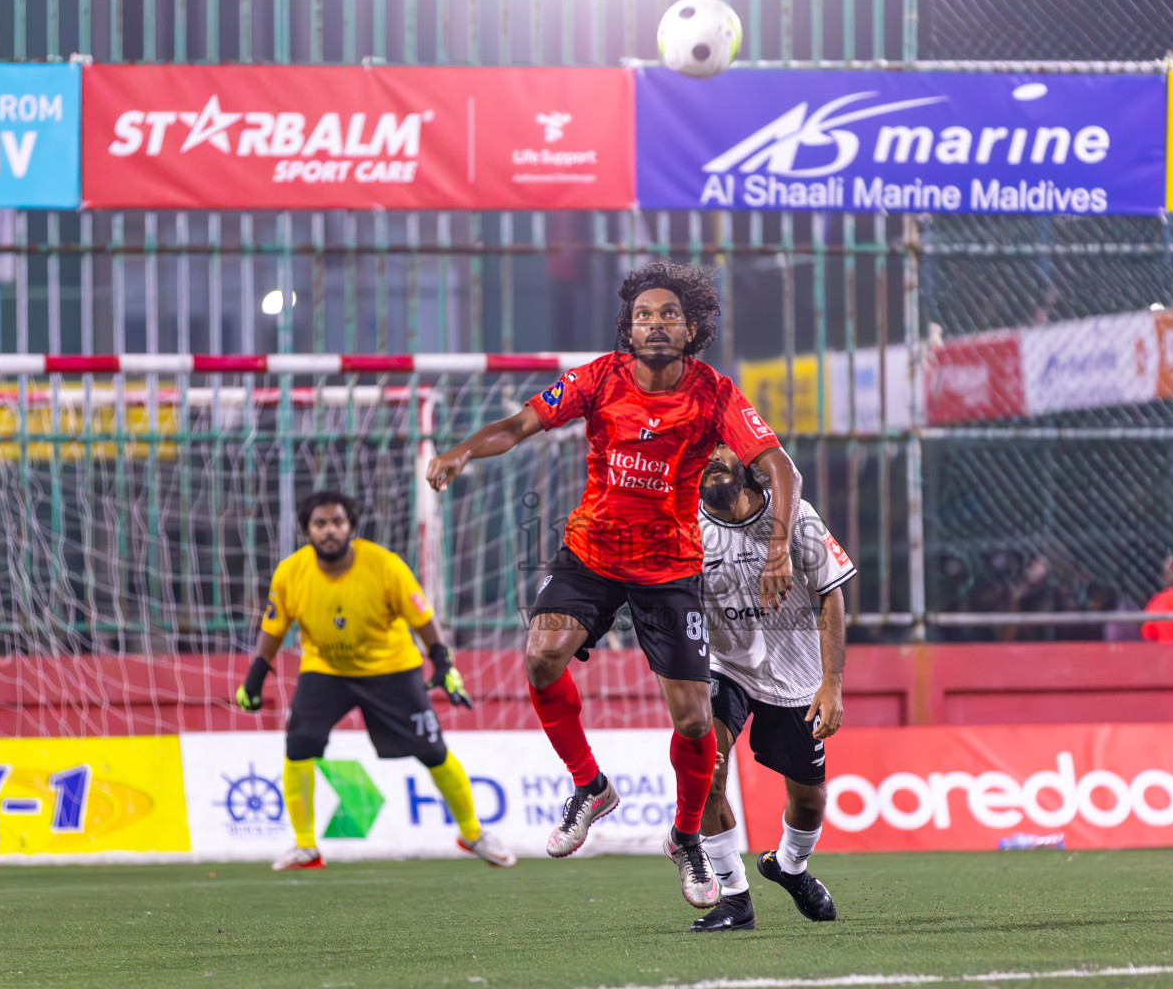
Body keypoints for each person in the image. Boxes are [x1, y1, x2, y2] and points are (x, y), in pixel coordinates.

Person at [426, 260, 801, 911]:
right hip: (592, 552)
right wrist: (461, 451)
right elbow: (519, 425)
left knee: (690, 718)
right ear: (628, 326)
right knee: (541, 657)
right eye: (644, 315)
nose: (655, 323)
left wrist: (777, 548)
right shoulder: (598, 378)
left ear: (694, 329)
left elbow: (777, 466)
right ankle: (589, 785)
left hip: (669, 568)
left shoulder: (715, 394)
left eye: (670, 315)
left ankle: (686, 837)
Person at [235, 489, 515, 871]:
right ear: (307, 531)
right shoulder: (290, 573)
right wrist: (255, 676)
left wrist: (441, 662)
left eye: (337, 522)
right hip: (326, 670)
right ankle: (305, 847)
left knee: (433, 751)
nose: (329, 530)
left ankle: (472, 833)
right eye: (320, 524)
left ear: (350, 526)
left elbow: (424, 621)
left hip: (392, 670)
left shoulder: (384, 565)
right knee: (299, 744)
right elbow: (273, 626)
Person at [689, 444, 854, 933]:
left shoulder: (795, 516)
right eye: (697, 456)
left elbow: (831, 597)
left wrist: (832, 682)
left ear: (742, 459)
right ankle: (735, 897)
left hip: (796, 674)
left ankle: (790, 866)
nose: (709, 461)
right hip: (725, 665)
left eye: (717, 450)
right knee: (707, 774)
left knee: (809, 800)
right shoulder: (684, 527)